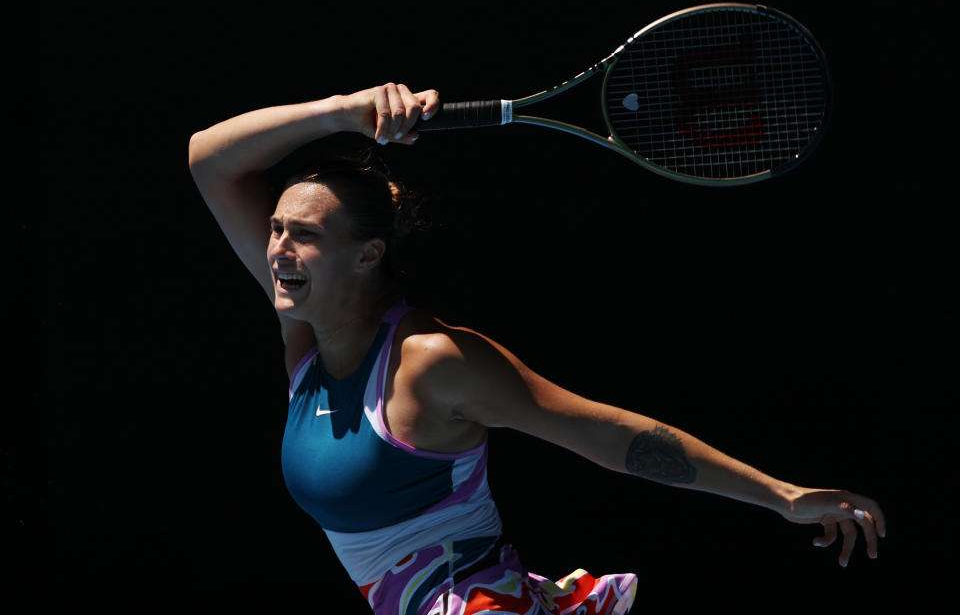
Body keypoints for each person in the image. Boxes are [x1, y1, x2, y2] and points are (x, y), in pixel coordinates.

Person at [187, 83, 885, 614]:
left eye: (303, 233)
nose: (277, 246)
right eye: (275, 227)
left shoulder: (431, 363)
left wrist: (782, 496)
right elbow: (209, 159)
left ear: (368, 255)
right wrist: (346, 109)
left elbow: (609, 435)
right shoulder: (303, 330)